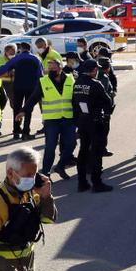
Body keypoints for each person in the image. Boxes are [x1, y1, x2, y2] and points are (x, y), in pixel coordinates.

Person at [18, 59, 75, 181]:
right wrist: (23, 110)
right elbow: (34, 98)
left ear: (60, 68)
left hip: (68, 118)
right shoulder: (43, 82)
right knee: (50, 147)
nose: (51, 70)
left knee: (71, 144)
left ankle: (60, 166)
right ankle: (45, 174)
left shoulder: (71, 79)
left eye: (54, 68)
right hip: (51, 121)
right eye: (49, 69)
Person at [72, 60, 113, 192]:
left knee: (83, 151)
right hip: (95, 122)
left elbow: (74, 103)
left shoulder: (77, 83)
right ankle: (97, 183)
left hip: (82, 121)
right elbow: (108, 102)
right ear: (94, 70)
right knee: (96, 152)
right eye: (97, 69)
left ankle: (82, 183)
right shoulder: (96, 84)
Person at [0, 42, 43, 140]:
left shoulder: (17, 58)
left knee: (17, 108)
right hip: (31, 87)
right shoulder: (36, 59)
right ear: (30, 49)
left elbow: (5, 68)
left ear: (21, 49)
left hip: (18, 87)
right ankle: (26, 132)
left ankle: (16, 132)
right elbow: (40, 74)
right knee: (28, 109)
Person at [97, 57, 116, 157]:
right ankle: (101, 150)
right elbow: (104, 94)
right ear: (107, 67)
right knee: (103, 131)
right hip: (104, 110)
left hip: (101, 109)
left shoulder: (98, 75)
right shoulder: (103, 77)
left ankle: (102, 149)